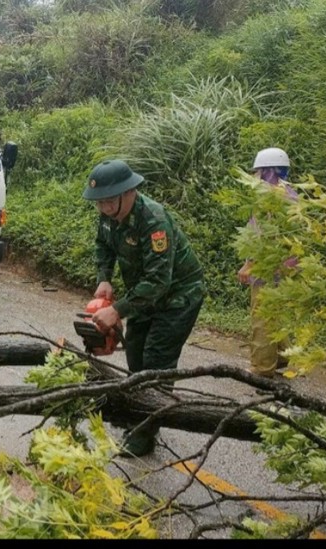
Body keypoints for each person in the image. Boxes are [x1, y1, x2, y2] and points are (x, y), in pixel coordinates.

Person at [82, 159, 205, 458]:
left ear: (129, 192)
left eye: (109, 202)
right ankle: (142, 415)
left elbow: (159, 282)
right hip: (143, 296)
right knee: (135, 358)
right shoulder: (108, 215)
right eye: (99, 203)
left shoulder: (154, 221)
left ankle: (145, 434)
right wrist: (104, 278)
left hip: (177, 298)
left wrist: (117, 310)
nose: (104, 209)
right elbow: (103, 245)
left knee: (156, 362)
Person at [237, 147, 298, 378]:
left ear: (268, 171)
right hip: (287, 267)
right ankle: (283, 357)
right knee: (276, 312)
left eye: (259, 171)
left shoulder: (267, 198)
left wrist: (249, 264)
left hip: (267, 266)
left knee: (262, 316)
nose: (256, 176)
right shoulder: (291, 194)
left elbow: (263, 236)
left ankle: (262, 367)